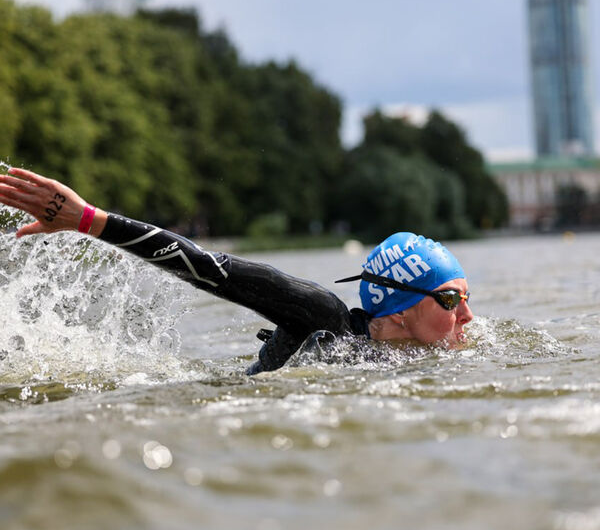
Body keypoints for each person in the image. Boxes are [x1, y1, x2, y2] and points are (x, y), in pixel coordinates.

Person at [0, 168, 473, 373]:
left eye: (466, 299)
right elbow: (208, 268)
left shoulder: (426, 356)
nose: (468, 316)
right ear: (400, 310)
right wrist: (89, 220)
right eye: (451, 300)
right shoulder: (322, 320)